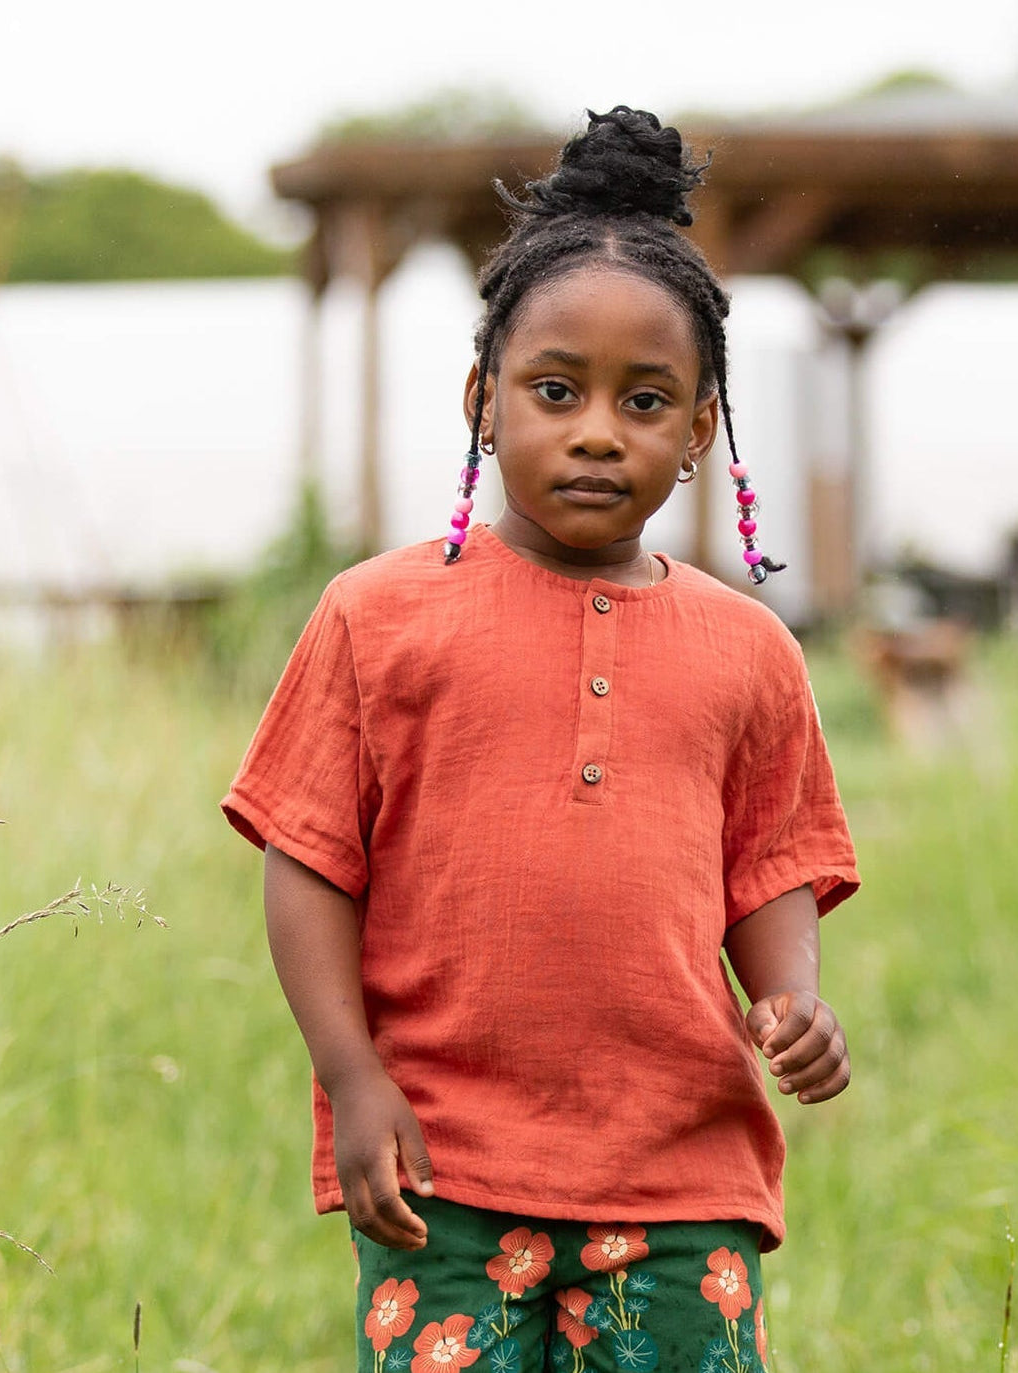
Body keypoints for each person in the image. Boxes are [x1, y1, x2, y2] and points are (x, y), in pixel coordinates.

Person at [223, 106, 858, 1373]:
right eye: (555, 390)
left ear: (696, 431)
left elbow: (766, 864)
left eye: (645, 400)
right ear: (483, 397)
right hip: (443, 1167)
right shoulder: (375, 616)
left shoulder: (749, 651)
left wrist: (793, 998)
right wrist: (350, 1077)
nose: (595, 430)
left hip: (679, 1176)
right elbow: (307, 861)